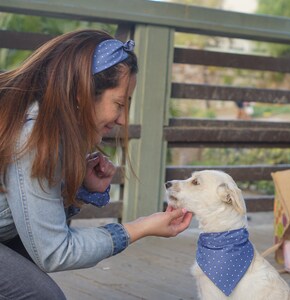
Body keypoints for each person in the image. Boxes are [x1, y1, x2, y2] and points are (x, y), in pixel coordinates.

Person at [0, 29, 193, 299]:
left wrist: (78, 189)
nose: (123, 120)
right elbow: (54, 252)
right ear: (82, 93)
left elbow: (36, 229)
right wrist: (139, 228)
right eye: (119, 103)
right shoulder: (34, 136)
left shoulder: (47, 126)